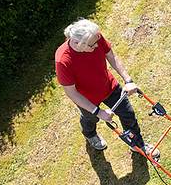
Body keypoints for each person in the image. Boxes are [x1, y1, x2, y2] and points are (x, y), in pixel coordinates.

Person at [55, 18, 159, 160]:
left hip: (108, 86)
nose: (97, 45)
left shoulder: (94, 36)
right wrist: (97, 112)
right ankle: (90, 135)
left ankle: (137, 144)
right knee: (90, 119)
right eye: (93, 45)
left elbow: (110, 55)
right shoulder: (63, 60)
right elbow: (71, 92)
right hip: (87, 99)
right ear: (78, 43)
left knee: (127, 114)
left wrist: (128, 80)